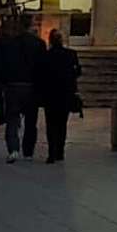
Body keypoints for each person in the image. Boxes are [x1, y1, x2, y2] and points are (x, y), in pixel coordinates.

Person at [0, 16, 46, 162]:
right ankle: (28, 151)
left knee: (12, 119)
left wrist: (3, 84)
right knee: (31, 121)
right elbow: (42, 67)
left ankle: (13, 148)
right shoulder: (39, 44)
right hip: (31, 86)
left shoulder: (9, 44)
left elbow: (3, 65)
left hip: (13, 85)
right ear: (31, 25)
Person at [34, 29, 83, 163]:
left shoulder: (45, 56)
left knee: (51, 124)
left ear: (50, 40)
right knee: (62, 124)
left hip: (50, 94)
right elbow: (77, 72)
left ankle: (51, 152)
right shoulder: (71, 54)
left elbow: (39, 75)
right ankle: (60, 151)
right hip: (65, 93)